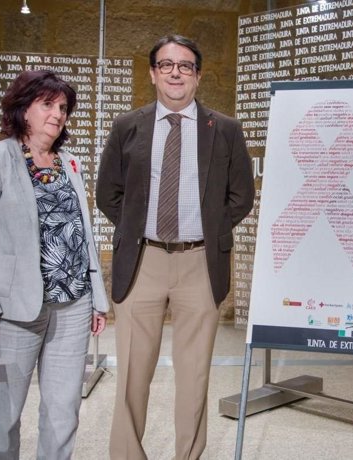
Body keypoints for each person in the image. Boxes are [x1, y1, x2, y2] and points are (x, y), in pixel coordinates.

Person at [96, 34, 254, 459]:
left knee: (194, 373)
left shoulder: (225, 129)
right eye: (166, 64)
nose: (175, 72)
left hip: (200, 263)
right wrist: (137, 230)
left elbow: (241, 197)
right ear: (152, 74)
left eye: (185, 65)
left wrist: (207, 230)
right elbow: (107, 194)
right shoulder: (127, 126)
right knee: (132, 370)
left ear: (198, 75)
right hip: (142, 260)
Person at [0, 69, 109, 459]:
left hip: (73, 306)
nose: (57, 114)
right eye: (47, 105)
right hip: (12, 310)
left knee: (63, 413)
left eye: (62, 107)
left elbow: (82, 232)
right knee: (1, 412)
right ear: (24, 109)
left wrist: (97, 298)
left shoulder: (69, 162)